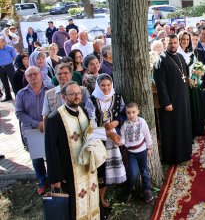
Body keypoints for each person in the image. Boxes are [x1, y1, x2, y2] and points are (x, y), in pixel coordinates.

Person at [45, 82, 100, 220]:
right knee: (74, 204)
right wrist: (55, 177)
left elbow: (90, 134)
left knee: (91, 194)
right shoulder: (55, 118)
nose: (77, 96)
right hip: (69, 170)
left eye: (79, 93)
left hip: (87, 166)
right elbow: (51, 150)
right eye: (73, 94)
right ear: (64, 97)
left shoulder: (84, 111)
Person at [85, 74, 127, 209]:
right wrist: (107, 133)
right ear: (98, 86)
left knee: (112, 166)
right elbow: (90, 124)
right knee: (101, 169)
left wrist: (116, 122)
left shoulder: (118, 97)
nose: (106, 88)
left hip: (115, 138)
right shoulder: (91, 100)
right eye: (103, 85)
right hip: (99, 139)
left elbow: (123, 113)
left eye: (108, 85)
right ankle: (100, 199)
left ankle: (108, 192)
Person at [153, 34, 192, 164]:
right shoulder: (161, 60)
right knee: (173, 128)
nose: (173, 45)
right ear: (166, 43)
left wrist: (189, 80)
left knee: (183, 126)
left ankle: (185, 153)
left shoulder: (180, 57)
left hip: (183, 99)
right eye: (171, 43)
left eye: (175, 43)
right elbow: (160, 84)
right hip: (171, 101)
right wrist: (166, 102)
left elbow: (183, 75)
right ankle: (173, 157)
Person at [15, 66, 54, 195]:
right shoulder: (21, 94)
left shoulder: (51, 90)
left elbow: (56, 108)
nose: (33, 76)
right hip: (32, 130)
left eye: (35, 74)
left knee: (51, 155)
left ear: (41, 74)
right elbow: (19, 113)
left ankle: (54, 178)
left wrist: (46, 122)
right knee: (37, 158)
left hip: (49, 128)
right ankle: (42, 181)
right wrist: (37, 123)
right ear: (26, 78)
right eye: (29, 75)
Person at [121, 102, 154, 203]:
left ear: (138, 112)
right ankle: (129, 191)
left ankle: (146, 191)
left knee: (144, 171)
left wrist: (149, 148)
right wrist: (119, 141)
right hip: (131, 153)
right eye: (128, 113)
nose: (131, 115)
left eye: (133, 112)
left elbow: (147, 135)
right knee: (133, 174)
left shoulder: (142, 122)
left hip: (142, 151)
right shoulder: (125, 125)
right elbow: (122, 139)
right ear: (126, 113)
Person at [189, 32, 205, 135]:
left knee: (200, 106)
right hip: (190, 85)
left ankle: (200, 128)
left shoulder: (200, 52)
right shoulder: (186, 53)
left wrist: (204, 84)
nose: (194, 42)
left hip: (199, 84)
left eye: (196, 40)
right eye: (193, 39)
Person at [0, 36, 16, 101]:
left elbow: (14, 57)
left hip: (9, 66)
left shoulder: (10, 48)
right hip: (0, 68)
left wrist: (8, 62)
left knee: (13, 82)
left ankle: (17, 95)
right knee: (4, 83)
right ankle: (8, 96)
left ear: (3, 42)